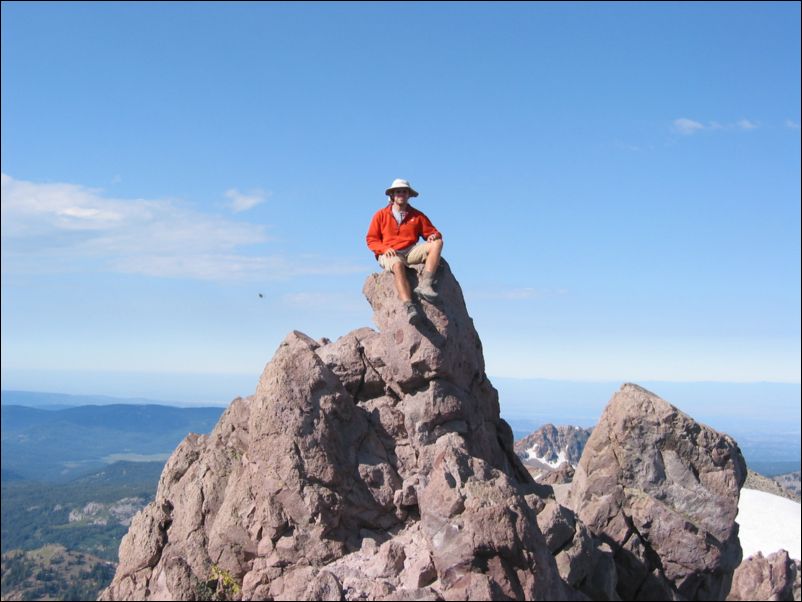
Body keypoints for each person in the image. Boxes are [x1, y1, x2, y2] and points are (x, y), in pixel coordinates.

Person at [366, 178, 444, 324]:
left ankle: (425, 285)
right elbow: (371, 239)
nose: (401, 194)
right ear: (392, 195)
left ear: (408, 195)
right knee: (397, 265)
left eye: (404, 191)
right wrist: (384, 249)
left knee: (437, 243)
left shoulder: (417, 215)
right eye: (398, 192)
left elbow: (432, 232)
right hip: (390, 253)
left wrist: (434, 236)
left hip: (410, 251)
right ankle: (409, 306)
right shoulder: (381, 215)